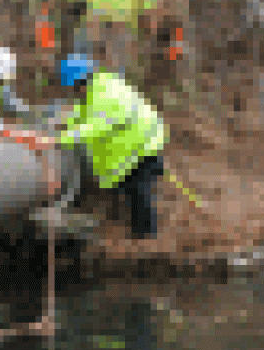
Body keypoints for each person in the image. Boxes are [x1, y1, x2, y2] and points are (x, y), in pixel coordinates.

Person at [32, 54, 167, 239]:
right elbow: (86, 115)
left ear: (77, 82)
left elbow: (92, 127)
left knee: (138, 189)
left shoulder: (104, 94)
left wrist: (54, 140)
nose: (73, 92)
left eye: (72, 88)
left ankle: (145, 234)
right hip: (136, 142)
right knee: (129, 188)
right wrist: (62, 120)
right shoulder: (100, 87)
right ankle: (132, 226)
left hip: (141, 143)